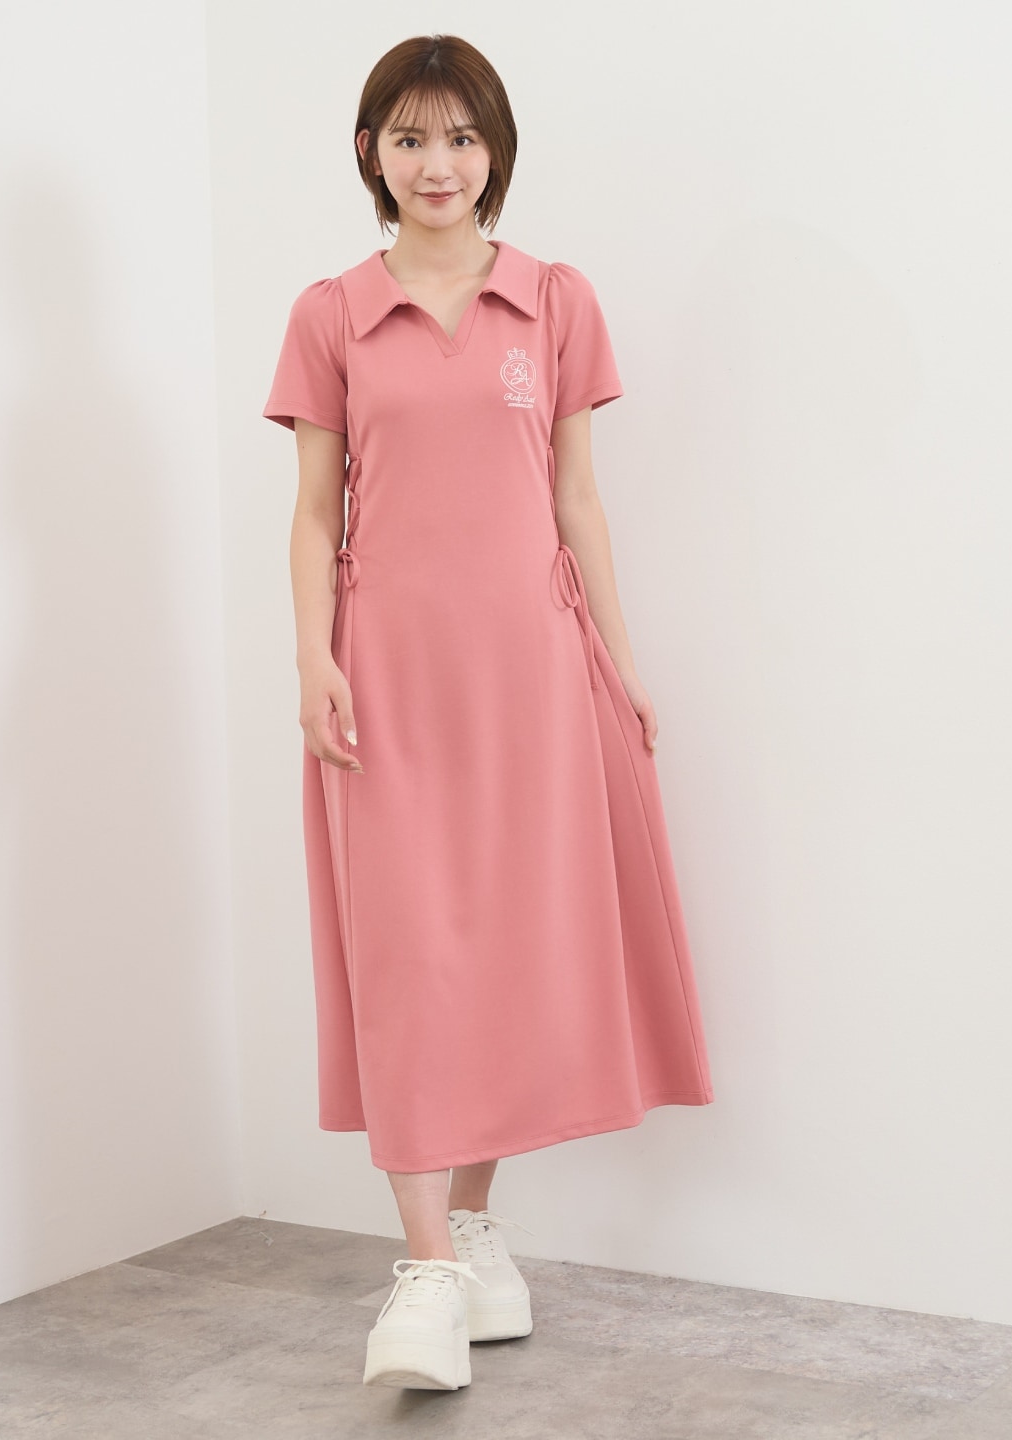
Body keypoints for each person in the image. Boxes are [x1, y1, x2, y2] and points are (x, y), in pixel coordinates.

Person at [262, 34, 715, 1391]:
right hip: (388, 679)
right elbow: (315, 511)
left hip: (530, 673)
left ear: (495, 152)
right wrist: (311, 656)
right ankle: (421, 1275)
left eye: (461, 137)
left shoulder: (555, 302)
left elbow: (577, 499)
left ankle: (467, 1229)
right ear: (370, 155)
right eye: (410, 139)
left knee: (504, 952)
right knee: (409, 957)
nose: (438, 164)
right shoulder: (332, 314)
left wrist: (621, 662)